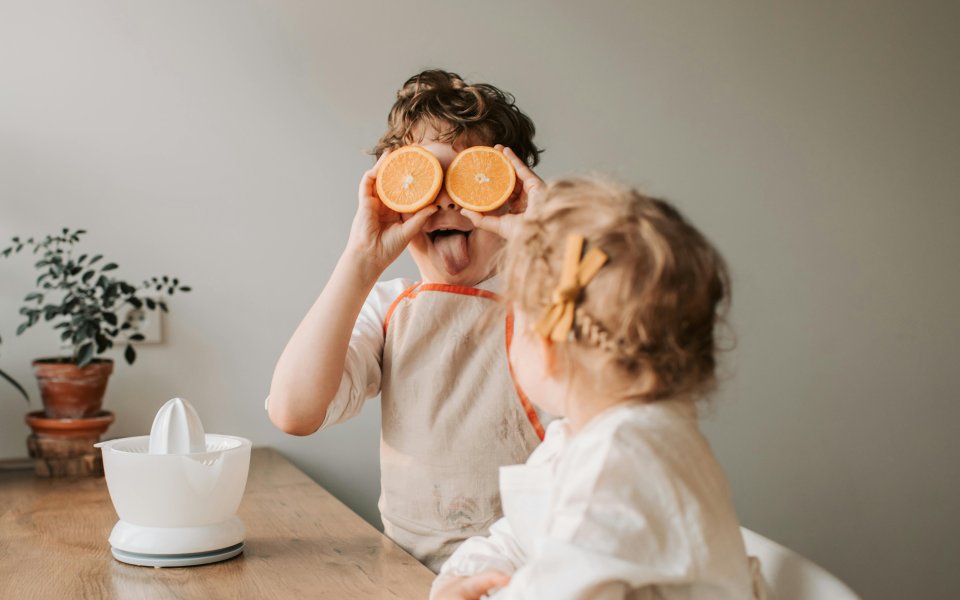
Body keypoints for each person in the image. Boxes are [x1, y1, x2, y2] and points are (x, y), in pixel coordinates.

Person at [267, 69, 550, 572]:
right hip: (408, 574)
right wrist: (360, 261)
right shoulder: (389, 307)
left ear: (511, 190)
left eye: (472, 177)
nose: (445, 199)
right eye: (425, 178)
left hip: (531, 575)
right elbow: (294, 412)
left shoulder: (551, 297)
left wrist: (550, 243)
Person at [431, 178, 767, 599]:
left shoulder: (623, 454)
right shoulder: (584, 436)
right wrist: (461, 578)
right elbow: (518, 537)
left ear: (548, 345)